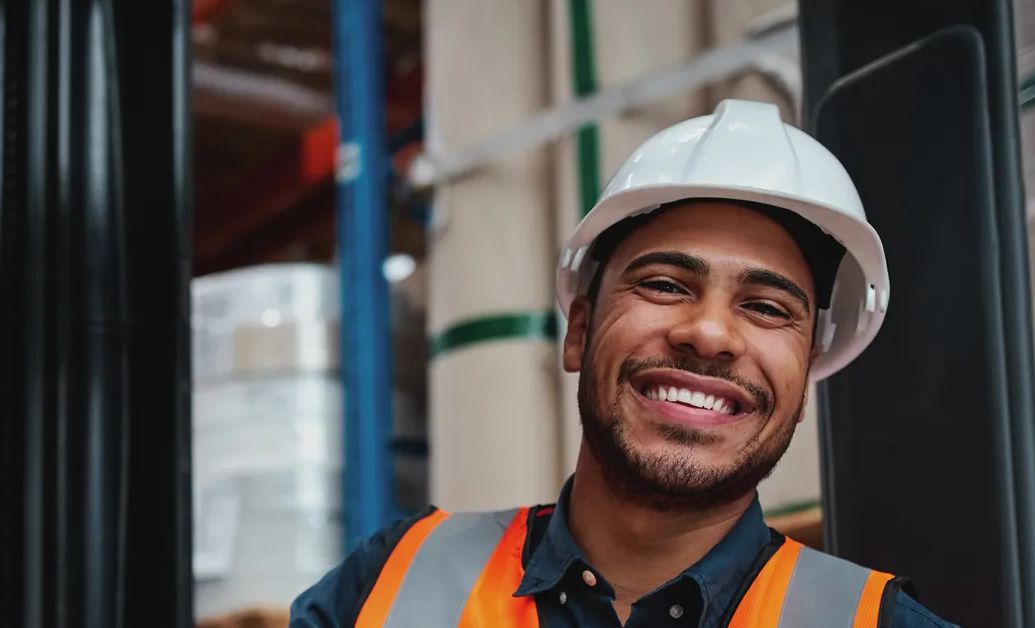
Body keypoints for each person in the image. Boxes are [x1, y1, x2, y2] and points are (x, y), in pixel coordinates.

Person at [290, 100, 956, 627]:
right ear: (579, 331)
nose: (709, 333)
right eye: (665, 285)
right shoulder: (386, 586)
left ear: (804, 376)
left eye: (766, 307)